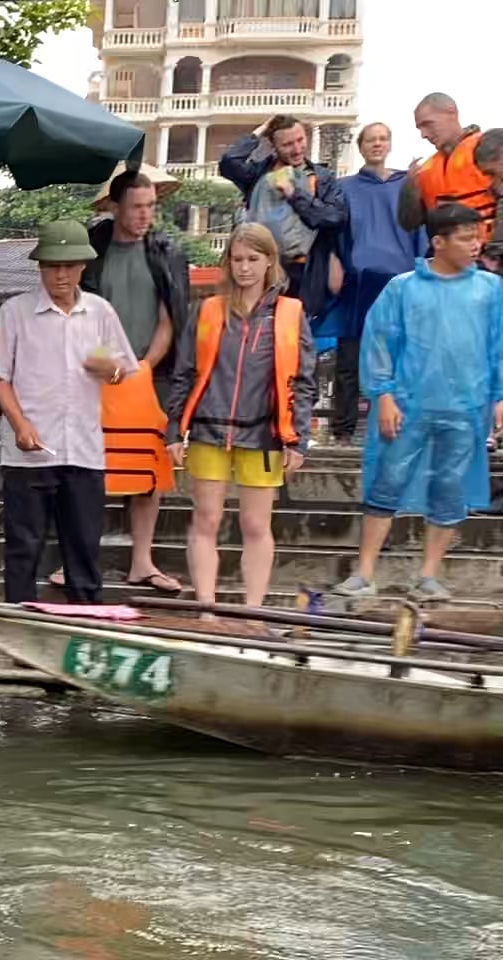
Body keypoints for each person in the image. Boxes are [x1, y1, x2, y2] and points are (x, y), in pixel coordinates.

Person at [331, 203, 503, 604]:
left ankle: (428, 575)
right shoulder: (403, 288)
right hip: (407, 405)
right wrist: (384, 395)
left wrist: (498, 398)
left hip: (466, 405)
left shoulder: (491, 290)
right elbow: (378, 343)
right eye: (465, 237)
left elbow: (498, 349)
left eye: (477, 236)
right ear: (438, 242)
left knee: (450, 487)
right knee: (385, 482)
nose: (475, 244)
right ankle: (365, 572)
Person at [165, 224, 317, 609]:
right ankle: (206, 607)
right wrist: (173, 429)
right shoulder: (207, 310)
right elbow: (184, 372)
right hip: (208, 430)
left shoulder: (290, 313)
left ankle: (253, 611)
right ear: (227, 263)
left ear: (269, 262)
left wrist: (297, 437)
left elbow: (303, 380)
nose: (245, 268)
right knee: (206, 518)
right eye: (237, 260)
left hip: (263, 433)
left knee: (255, 525)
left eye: (253, 259)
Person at [0, 221, 138, 605]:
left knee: (84, 546)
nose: (61, 274)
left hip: (83, 448)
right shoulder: (16, 312)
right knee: (24, 545)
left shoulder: (100, 312)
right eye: (53, 265)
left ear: (83, 267)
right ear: (41, 267)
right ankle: (18, 620)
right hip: (29, 451)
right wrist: (20, 425)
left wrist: (111, 370)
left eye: (69, 265)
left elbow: (122, 370)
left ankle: (87, 625)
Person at [59, 168, 188, 594]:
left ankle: (142, 561)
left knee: (147, 468)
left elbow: (172, 316)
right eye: (136, 207)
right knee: (87, 467)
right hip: (93, 368)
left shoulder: (166, 250)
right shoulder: (92, 248)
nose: (145, 215)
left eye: (150, 206)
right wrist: (103, 362)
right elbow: (75, 308)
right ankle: (78, 559)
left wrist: (144, 365)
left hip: (150, 371)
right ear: (115, 206)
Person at [334, 122, 430, 445]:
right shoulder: (344, 187)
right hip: (359, 279)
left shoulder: (409, 183)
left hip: (402, 277)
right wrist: (336, 263)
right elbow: (334, 232)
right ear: (360, 146)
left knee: (407, 352)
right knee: (350, 354)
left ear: (389, 144)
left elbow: (421, 231)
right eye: (370, 139)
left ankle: (408, 422)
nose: (377, 144)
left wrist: (422, 271)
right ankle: (343, 430)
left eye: (382, 139)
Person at [219, 114, 347, 317]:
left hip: (302, 273)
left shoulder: (322, 177)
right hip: (260, 272)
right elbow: (228, 162)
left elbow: (333, 217)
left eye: (300, 140)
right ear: (273, 146)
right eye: (287, 144)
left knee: (293, 334)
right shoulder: (257, 174)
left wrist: (294, 195)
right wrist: (262, 129)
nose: (296, 149)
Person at [400, 94, 494, 243]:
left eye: (428, 124)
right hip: (451, 260)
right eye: (420, 128)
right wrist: (410, 190)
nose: (424, 134)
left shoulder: (488, 148)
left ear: (452, 113)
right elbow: (409, 223)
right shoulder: (425, 171)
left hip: (491, 256)